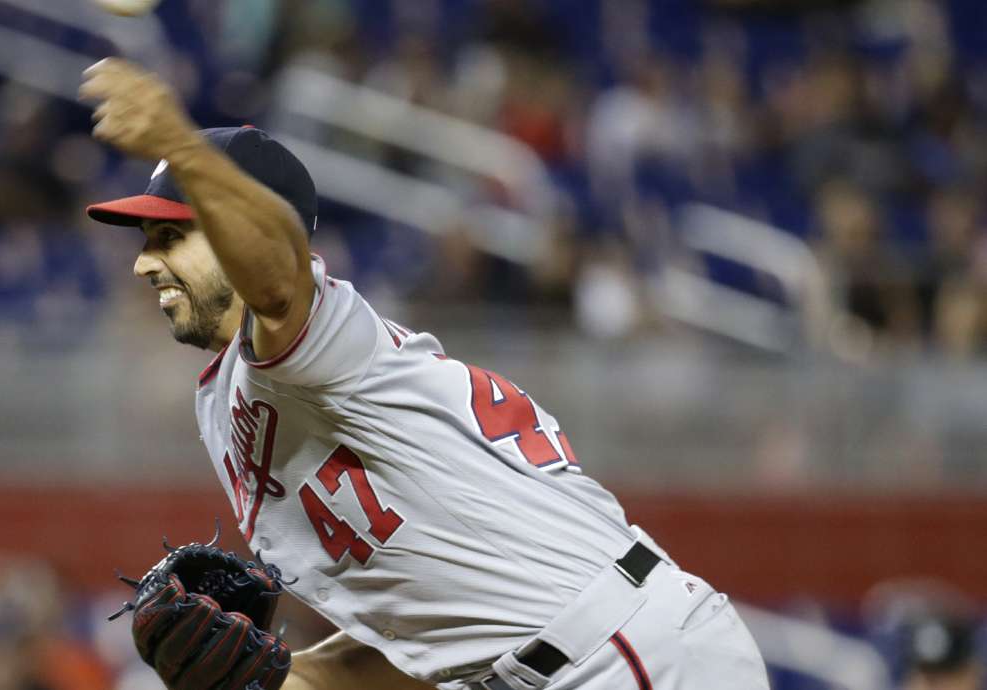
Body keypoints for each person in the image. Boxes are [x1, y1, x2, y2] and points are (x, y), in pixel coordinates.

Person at [80, 57, 770, 690]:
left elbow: (280, 280)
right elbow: (413, 649)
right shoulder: (236, 399)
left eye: (171, 235)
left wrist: (182, 145)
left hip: (623, 654)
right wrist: (267, 679)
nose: (144, 263)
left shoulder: (321, 340)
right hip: (559, 662)